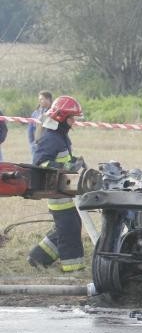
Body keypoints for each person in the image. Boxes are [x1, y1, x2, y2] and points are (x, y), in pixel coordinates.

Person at [27, 95, 86, 272]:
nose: (74, 122)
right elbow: (40, 162)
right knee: (69, 232)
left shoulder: (61, 137)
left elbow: (62, 158)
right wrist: (66, 166)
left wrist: (75, 161)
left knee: (68, 226)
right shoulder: (51, 138)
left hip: (65, 193)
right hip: (57, 196)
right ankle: (73, 268)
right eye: (72, 118)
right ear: (62, 118)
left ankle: (38, 257)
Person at [28, 90, 53, 159]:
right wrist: (32, 143)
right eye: (39, 99)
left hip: (49, 145)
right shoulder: (36, 113)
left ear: (48, 99)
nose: (40, 101)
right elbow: (30, 129)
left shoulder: (54, 113)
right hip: (36, 145)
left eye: (42, 99)